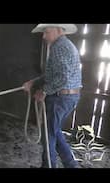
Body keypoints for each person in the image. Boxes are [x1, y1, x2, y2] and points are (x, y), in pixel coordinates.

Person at [23, 24, 82, 168]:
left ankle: (48, 165)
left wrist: (44, 91)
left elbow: (63, 78)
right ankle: (71, 164)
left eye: (47, 32)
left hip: (61, 97)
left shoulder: (60, 47)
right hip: (67, 96)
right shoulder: (63, 45)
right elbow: (53, 75)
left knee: (48, 134)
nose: (43, 36)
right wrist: (33, 82)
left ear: (59, 30)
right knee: (53, 131)